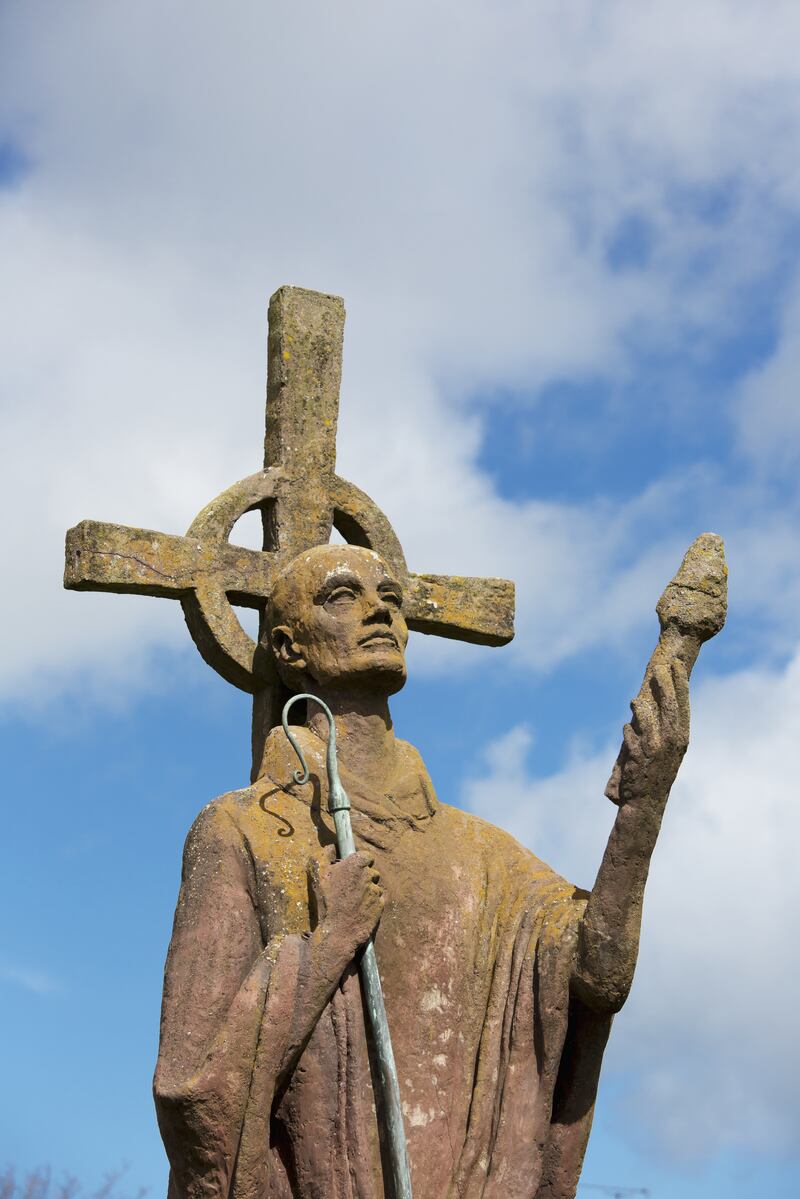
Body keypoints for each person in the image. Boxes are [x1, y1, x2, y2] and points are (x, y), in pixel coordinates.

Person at [154, 543, 694, 1199]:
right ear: (290, 649)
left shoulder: (486, 856)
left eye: (391, 596)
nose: (380, 609)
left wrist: (643, 806)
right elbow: (194, 1084)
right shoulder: (244, 830)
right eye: (343, 595)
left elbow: (597, 973)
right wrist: (324, 949)